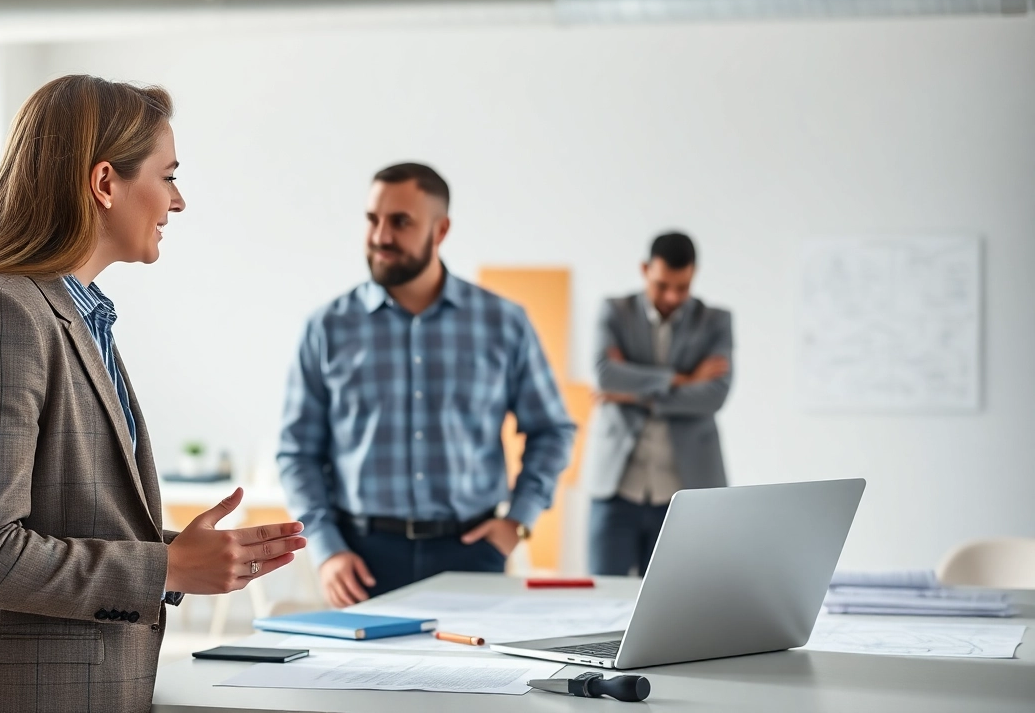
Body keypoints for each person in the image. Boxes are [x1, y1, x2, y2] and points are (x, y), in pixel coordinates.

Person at [0, 76, 305, 712]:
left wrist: (177, 555)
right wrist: (165, 569)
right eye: (168, 175)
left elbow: (64, 520)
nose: (178, 201)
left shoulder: (73, 315)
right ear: (105, 183)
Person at [277, 162, 577, 608]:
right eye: (372, 219)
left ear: (441, 231)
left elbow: (553, 429)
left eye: (400, 222)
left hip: (473, 555)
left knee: (477, 679)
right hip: (361, 560)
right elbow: (297, 452)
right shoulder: (327, 328)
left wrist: (518, 521)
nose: (380, 236)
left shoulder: (503, 323)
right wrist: (327, 548)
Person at [584, 231, 733, 576]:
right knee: (602, 603)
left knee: (683, 603)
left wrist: (634, 393)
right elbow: (606, 376)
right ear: (644, 269)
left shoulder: (715, 321)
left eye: (682, 288)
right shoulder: (614, 311)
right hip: (616, 488)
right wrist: (681, 378)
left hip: (687, 493)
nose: (671, 297)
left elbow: (715, 394)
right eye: (662, 285)